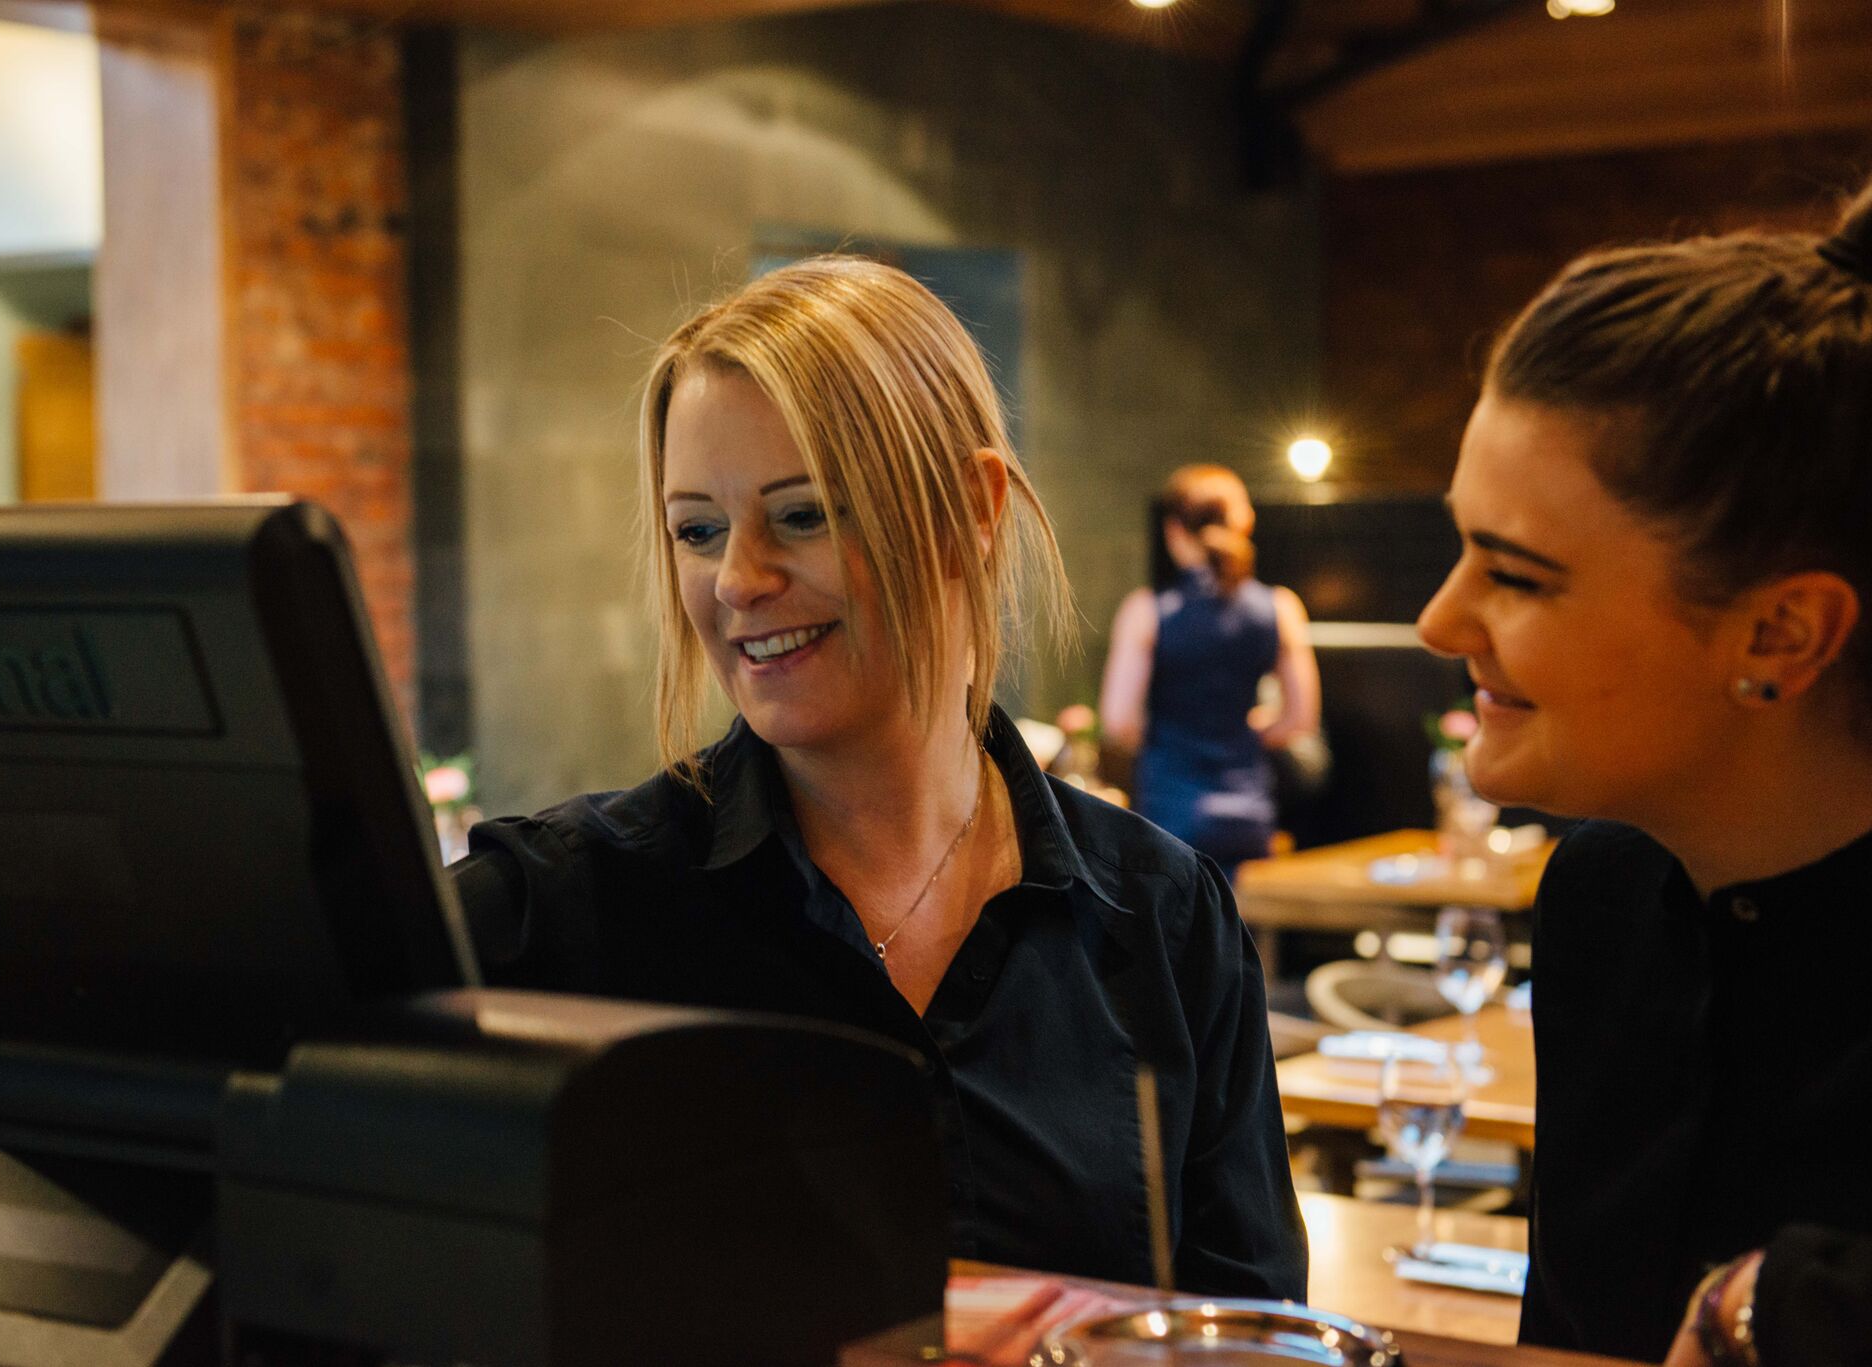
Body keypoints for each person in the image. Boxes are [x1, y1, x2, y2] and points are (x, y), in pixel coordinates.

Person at [451, 257, 1306, 1295]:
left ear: (971, 509)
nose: (737, 580)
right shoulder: (563, 905)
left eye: (802, 513)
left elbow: (1255, 1329)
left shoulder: (1163, 922)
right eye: (698, 529)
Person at [1416, 178, 1872, 1367]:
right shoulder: (1599, 897)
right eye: (1457, 546)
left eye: (1513, 573)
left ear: (1778, 634)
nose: (1436, 618)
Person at [1098, 465, 1320, 881]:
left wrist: (1172, 739)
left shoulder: (1145, 612)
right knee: (1240, 940)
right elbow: (1300, 719)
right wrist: (1244, 733)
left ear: (1173, 531)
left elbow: (1119, 722)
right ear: (1245, 523)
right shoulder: (1282, 608)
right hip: (1249, 815)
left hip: (1170, 814)